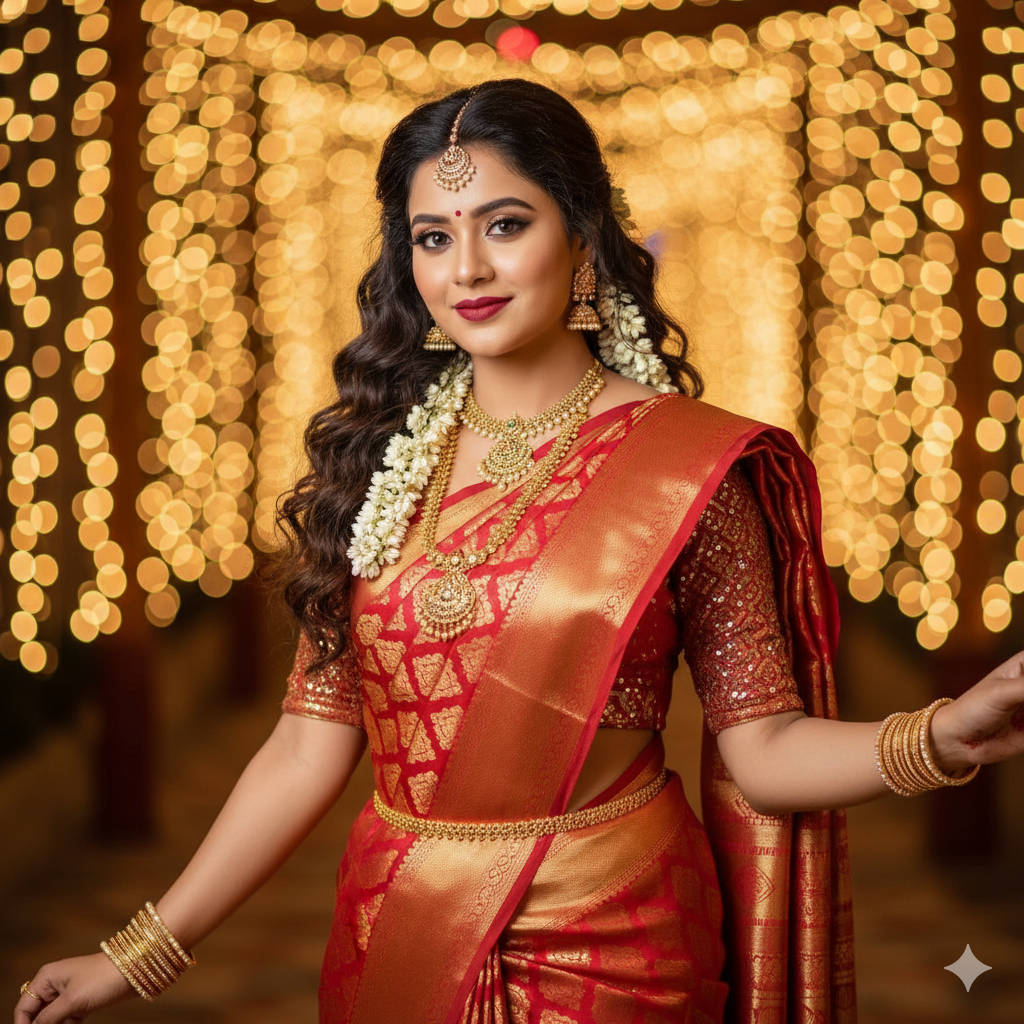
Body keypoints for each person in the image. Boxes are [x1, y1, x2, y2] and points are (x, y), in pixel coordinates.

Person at [14, 78, 1024, 1024]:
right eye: (432, 237)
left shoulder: (692, 470)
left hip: (619, 941)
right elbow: (303, 744)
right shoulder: (378, 458)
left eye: (504, 225)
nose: (468, 270)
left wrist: (942, 735)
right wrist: (138, 950)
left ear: (580, 239)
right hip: (395, 926)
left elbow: (762, 749)